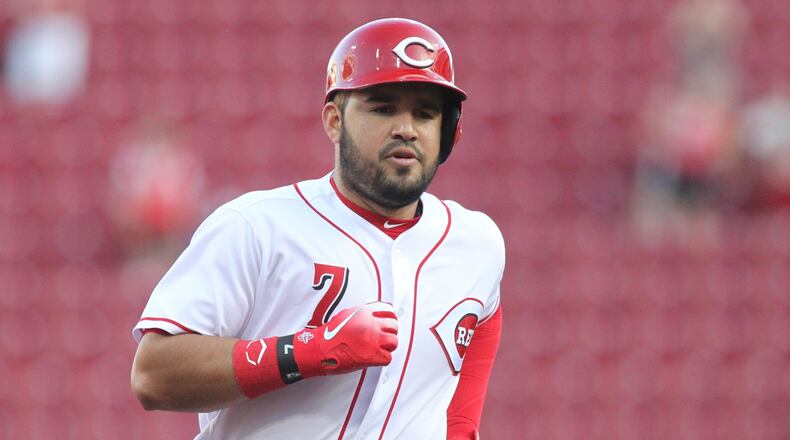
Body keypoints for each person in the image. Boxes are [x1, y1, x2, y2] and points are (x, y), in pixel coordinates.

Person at [130, 18, 505, 440]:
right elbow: (153, 375)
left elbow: (480, 326)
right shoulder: (255, 226)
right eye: (382, 107)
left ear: (448, 131)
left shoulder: (477, 244)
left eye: (425, 112)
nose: (406, 128)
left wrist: (461, 430)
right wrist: (308, 351)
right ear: (333, 120)